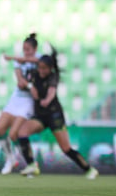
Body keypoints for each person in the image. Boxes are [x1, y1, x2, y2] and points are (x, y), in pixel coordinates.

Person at [17, 45, 99, 179]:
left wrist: (46, 100)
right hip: (40, 115)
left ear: (50, 68)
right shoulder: (34, 74)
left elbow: (51, 92)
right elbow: (23, 69)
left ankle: (89, 169)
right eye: (40, 67)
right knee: (22, 132)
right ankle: (32, 165)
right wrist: (28, 85)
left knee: (66, 148)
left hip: (54, 115)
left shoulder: (53, 77)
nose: (41, 71)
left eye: (44, 68)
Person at [0, 33, 40, 174]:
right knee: (0, 129)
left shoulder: (40, 60)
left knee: (14, 134)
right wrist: (30, 86)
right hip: (16, 98)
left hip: (28, 102)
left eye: (28, 50)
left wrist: (30, 86)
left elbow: (38, 66)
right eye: (24, 49)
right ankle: (11, 159)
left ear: (35, 49)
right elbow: (20, 81)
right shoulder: (19, 61)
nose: (26, 52)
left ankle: (31, 163)